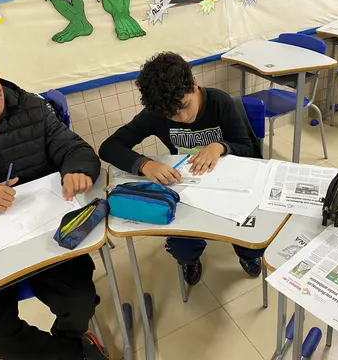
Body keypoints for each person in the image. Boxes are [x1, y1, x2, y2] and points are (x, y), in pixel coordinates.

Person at [0, 42, 108, 360]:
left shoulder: (28, 105)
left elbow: (75, 148)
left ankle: (69, 346)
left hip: (45, 231)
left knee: (80, 302)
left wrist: (77, 170)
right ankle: (71, 354)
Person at [98, 52, 263, 286]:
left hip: (229, 186)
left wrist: (220, 147)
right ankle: (190, 258)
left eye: (185, 105)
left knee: (249, 235)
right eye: (172, 114)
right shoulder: (156, 113)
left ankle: (246, 254)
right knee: (182, 242)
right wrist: (145, 164)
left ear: (194, 84)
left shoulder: (220, 103)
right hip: (187, 186)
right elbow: (109, 147)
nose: (184, 117)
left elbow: (247, 148)